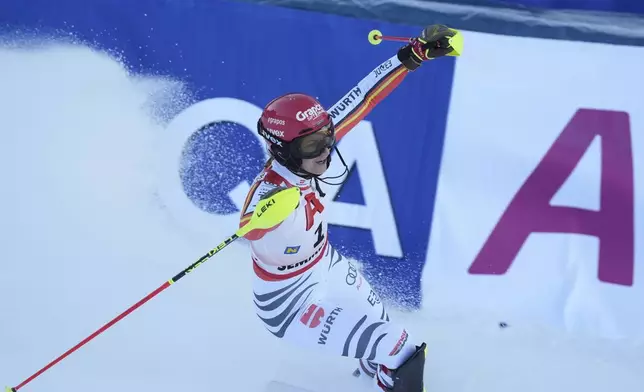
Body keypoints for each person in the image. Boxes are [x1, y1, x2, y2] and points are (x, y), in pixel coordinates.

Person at [240, 24, 460, 392]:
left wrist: (415, 54)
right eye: (312, 146)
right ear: (283, 150)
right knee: (398, 347)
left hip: (325, 265)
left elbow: (364, 97)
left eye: (327, 137)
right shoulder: (270, 193)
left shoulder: (308, 148)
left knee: (378, 349)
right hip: (288, 302)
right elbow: (249, 225)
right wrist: (262, 218)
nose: (325, 150)